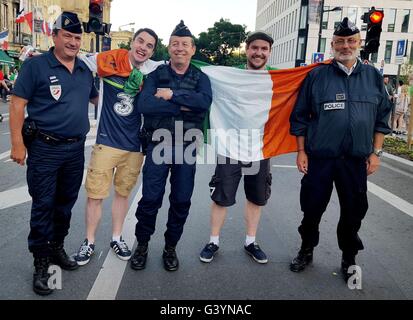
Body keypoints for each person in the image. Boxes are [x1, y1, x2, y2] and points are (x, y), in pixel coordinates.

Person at [288, 18, 392, 283]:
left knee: (353, 212)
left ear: (358, 44)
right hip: (320, 158)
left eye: (351, 41)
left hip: (355, 160)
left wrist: (376, 153)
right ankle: (306, 249)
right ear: (332, 44)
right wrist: (301, 152)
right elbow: (300, 117)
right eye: (340, 42)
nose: (345, 46)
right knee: (311, 208)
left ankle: (349, 257)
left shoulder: (372, 77)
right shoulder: (316, 76)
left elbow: (382, 118)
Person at [9, 12, 99, 295]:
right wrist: (17, 144)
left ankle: (57, 248)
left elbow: (100, 99)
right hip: (45, 149)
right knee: (43, 207)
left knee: (65, 205)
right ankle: (41, 263)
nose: (73, 42)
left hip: (75, 150)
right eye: (68, 36)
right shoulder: (36, 66)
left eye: (77, 37)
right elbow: (16, 104)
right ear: (55, 36)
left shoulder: (84, 70)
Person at [74, 28, 162, 266]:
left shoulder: (152, 70)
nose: (143, 47)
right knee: (95, 195)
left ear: (153, 51)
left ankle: (116, 237)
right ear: (132, 43)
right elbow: (78, 61)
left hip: (134, 146)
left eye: (149, 45)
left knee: (123, 194)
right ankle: (89, 241)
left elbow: (181, 66)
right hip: (106, 140)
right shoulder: (111, 59)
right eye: (140, 41)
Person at [130, 21, 212, 271]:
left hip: (187, 146)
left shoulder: (201, 77)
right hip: (159, 143)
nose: (180, 48)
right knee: (150, 199)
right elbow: (145, 105)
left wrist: (171, 96)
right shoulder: (155, 76)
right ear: (169, 47)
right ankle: (142, 245)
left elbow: (204, 102)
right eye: (175, 43)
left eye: (185, 44)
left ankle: (170, 248)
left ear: (193, 49)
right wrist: (185, 105)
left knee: (181, 200)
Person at [199, 31, 275, 265]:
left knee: (256, 198)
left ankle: (251, 241)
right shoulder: (231, 76)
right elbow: (197, 67)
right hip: (230, 147)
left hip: (260, 149)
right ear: (247, 49)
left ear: (269, 52)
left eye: (264, 49)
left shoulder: (277, 79)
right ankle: (213, 241)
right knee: (221, 197)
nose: (258, 52)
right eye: (254, 48)